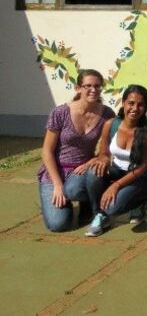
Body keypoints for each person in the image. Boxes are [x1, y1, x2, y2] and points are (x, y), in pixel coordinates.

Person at [38, 70, 116, 232]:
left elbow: (108, 149)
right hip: (55, 171)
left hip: (82, 171)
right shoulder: (60, 113)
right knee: (58, 225)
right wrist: (57, 185)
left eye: (97, 86)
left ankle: (91, 205)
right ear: (78, 88)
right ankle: (78, 200)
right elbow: (46, 152)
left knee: (79, 185)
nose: (93, 90)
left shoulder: (107, 114)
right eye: (88, 86)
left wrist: (92, 161)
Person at [85, 85, 147, 237]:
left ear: (145, 107)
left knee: (112, 207)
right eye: (131, 103)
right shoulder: (111, 124)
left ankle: (139, 203)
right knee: (93, 172)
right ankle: (99, 215)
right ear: (123, 103)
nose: (135, 108)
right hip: (117, 170)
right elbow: (104, 154)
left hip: (140, 176)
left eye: (140, 104)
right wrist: (103, 160)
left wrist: (116, 186)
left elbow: (144, 166)